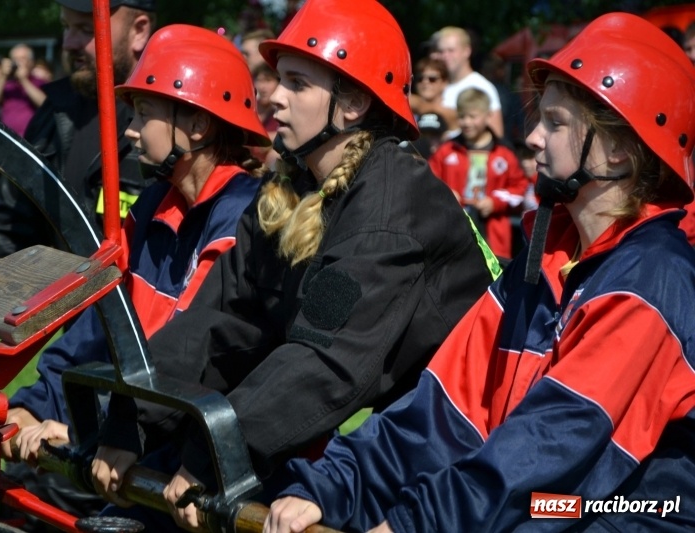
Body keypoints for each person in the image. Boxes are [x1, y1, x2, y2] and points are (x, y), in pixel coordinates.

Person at [265, 12, 695, 533]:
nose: (532, 138)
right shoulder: (541, 267)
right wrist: (338, 482)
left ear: (622, 151)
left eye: (556, 123)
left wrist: (417, 524)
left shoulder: (651, 278)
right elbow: (443, 411)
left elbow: (549, 453)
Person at [89, 0, 499, 530]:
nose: (273, 97)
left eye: (298, 84)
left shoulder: (388, 204)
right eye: (278, 79)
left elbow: (326, 357)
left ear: (351, 104)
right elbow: (225, 320)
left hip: (459, 446)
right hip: (397, 433)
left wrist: (215, 458)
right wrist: (129, 419)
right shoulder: (294, 187)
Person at [6, 21, 271, 467]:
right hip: (132, 435)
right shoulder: (152, 205)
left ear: (199, 126)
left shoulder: (240, 219)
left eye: (144, 114)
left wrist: (95, 429)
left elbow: (188, 357)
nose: (130, 130)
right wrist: (35, 403)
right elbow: (100, 322)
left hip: (189, 455)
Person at [0, 0, 156, 271]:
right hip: (52, 307)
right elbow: (9, 224)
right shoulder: (55, 111)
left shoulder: (167, 126)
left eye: (87, 29)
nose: (69, 43)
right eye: (66, 27)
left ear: (139, 30)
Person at [429, 88, 527, 259]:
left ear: (488, 115)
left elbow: (520, 188)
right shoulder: (446, 151)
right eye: (462, 116)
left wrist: (494, 202)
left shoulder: (504, 153)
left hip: (494, 238)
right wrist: (445, 193)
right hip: (452, 235)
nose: (466, 122)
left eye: (472, 116)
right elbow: (428, 181)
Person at [434, 26, 503, 138]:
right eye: (441, 51)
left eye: (451, 50)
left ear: (467, 51)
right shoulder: (436, 85)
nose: (445, 56)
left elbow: (496, 135)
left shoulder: (482, 86)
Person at [0, 43, 48, 137]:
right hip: (8, 138)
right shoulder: (7, 83)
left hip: (30, 138)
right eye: (15, 59)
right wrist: (3, 75)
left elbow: (44, 103)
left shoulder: (39, 82)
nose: (18, 63)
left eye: (22, 59)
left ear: (31, 62)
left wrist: (23, 79)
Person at [408, 57, 456, 136]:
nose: (425, 82)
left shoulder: (450, 109)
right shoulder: (411, 107)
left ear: (444, 82)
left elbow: (426, 108)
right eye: (420, 78)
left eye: (432, 79)